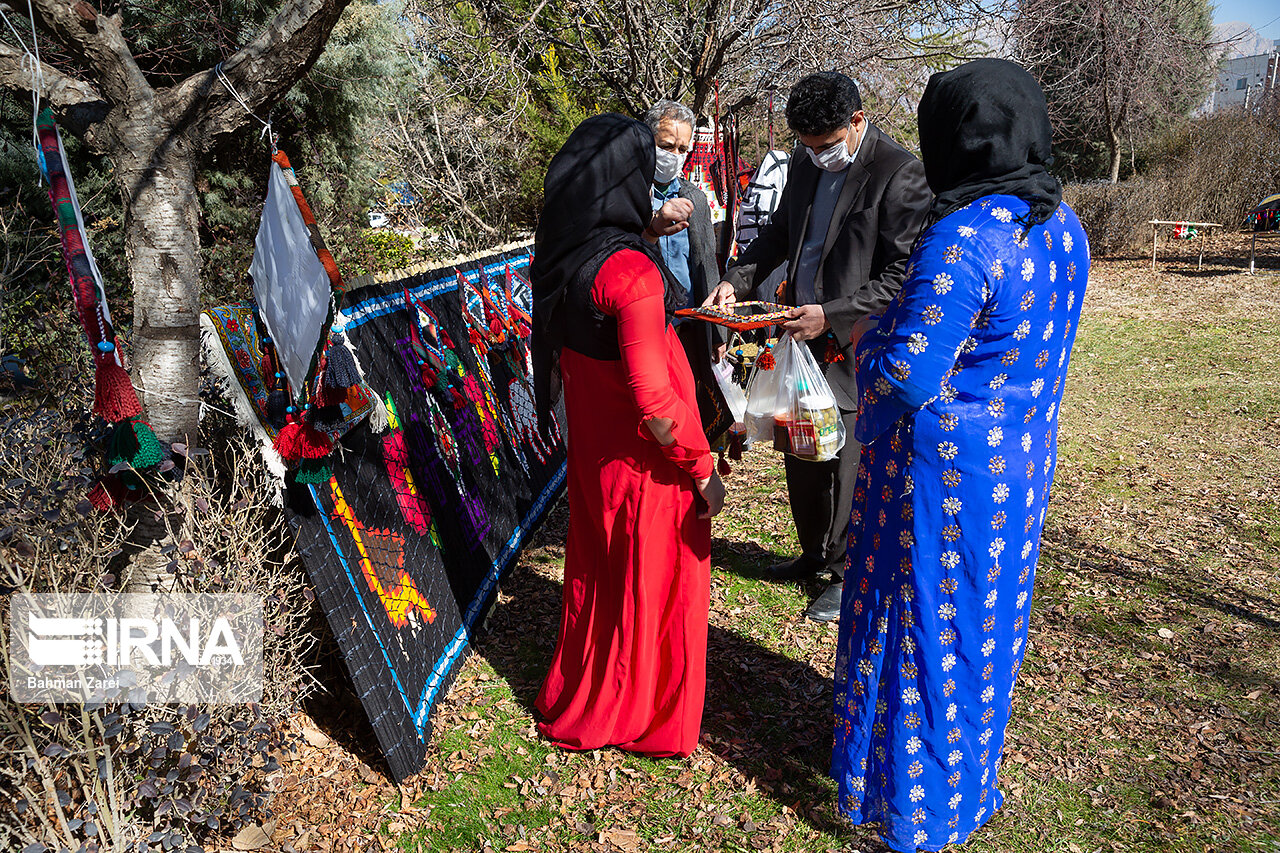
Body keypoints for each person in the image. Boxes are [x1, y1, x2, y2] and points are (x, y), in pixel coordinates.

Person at [830, 58, 1090, 851]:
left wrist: (857, 354)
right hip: (1017, 470)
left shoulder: (966, 235)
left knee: (925, 636)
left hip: (938, 483)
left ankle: (921, 817)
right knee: (983, 635)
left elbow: (909, 374)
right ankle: (962, 785)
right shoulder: (1062, 224)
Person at [530, 113, 726, 757]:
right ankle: (636, 709)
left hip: (595, 460)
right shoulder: (633, 278)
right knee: (648, 587)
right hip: (647, 470)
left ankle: (593, 689)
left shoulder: (563, 261)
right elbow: (655, 403)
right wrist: (700, 468)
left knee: (603, 579)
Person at [705, 71, 931, 621]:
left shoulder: (900, 173)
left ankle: (843, 567)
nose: (816, 155)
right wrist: (737, 277)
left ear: (856, 121)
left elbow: (904, 273)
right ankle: (812, 554)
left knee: (847, 457)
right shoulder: (805, 164)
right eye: (806, 146)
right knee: (801, 446)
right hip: (795, 333)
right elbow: (781, 234)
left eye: (826, 145)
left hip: (854, 343)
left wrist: (830, 315)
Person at [642, 100, 733, 440]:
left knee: (692, 415)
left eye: (683, 148)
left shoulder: (694, 198)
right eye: (666, 146)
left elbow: (706, 265)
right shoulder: (630, 197)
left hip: (689, 328)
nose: (674, 155)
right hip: (647, 329)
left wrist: (718, 333)